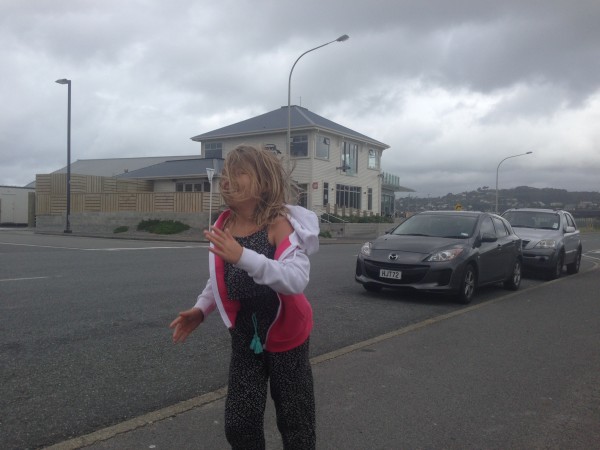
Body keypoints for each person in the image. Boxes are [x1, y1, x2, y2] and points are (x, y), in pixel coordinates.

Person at [170, 144, 319, 450]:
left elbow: (296, 279)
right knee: (239, 424)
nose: (227, 179)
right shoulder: (224, 225)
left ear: (263, 180)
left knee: (296, 422)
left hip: (286, 334)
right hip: (246, 336)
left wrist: (243, 256)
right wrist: (201, 309)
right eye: (225, 173)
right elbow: (221, 279)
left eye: (238, 172)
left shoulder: (280, 224)